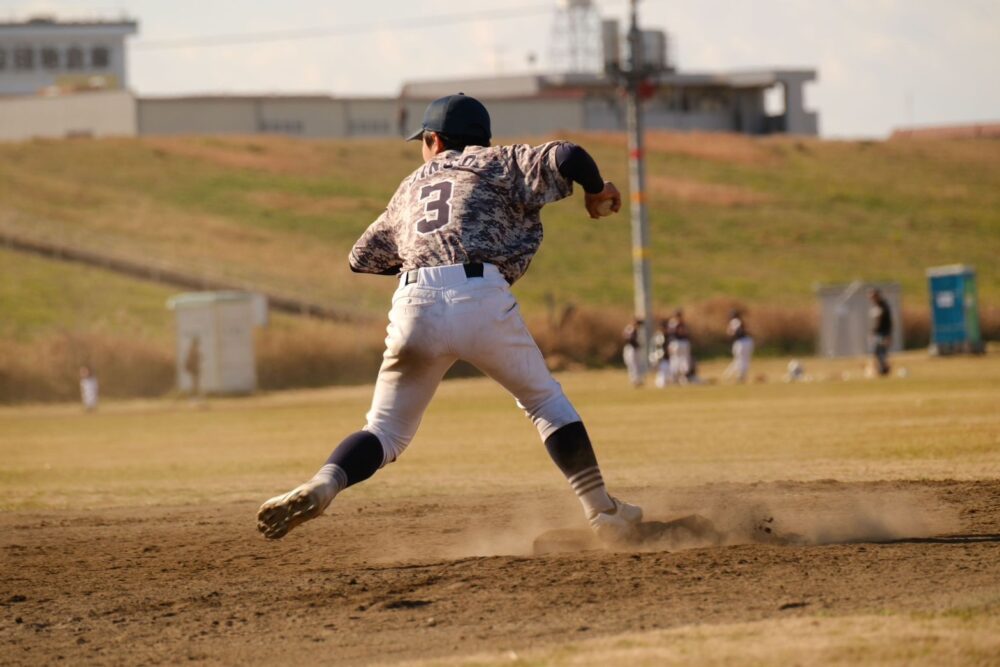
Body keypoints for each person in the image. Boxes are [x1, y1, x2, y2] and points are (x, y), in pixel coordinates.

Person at [257, 93, 642, 544]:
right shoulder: (496, 161)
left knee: (383, 431)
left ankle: (324, 483)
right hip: (478, 294)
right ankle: (601, 513)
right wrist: (595, 191)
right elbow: (568, 155)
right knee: (545, 404)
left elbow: (360, 257)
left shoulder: (408, 188)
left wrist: (422, 257)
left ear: (435, 140)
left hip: (413, 303)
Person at [724, 309, 754, 382]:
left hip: (741, 342)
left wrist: (730, 332)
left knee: (740, 360)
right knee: (743, 360)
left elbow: (734, 332)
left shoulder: (734, 321)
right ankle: (739, 375)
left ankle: (737, 376)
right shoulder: (739, 321)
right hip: (746, 341)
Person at [869, 288, 892, 376]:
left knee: (881, 352)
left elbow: (888, 322)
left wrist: (888, 335)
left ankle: (884, 370)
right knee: (877, 352)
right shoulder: (876, 306)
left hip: (883, 333)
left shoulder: (884, 306)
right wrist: (873, 331)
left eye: (872, 297)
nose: (871, 299)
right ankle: (882, 369)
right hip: (878, 333)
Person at [666, 309, 692, 384]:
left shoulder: (671, 323)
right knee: (683, 360)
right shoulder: (679, 323)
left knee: (675, 360)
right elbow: (682, 332)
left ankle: (675, 377)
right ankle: (682, 377)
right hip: (680, 343)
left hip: (673, 343)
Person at [622, 317, 645, 388]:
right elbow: (627, 338)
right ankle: (634, 380)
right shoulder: (630, 328)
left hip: (636, 349)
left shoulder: (638, 330)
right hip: (631, 349)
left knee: (637, 364)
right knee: (632, 364)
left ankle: (638, 380)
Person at [651, 319, 670, 388]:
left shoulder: (666, 336)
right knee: (662, 373)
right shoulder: (659, 336)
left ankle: (661, 384)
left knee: (666, 373)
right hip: (661, 358)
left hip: (665, 358)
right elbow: (658, 349)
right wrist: (657, 358)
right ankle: (660, 384)